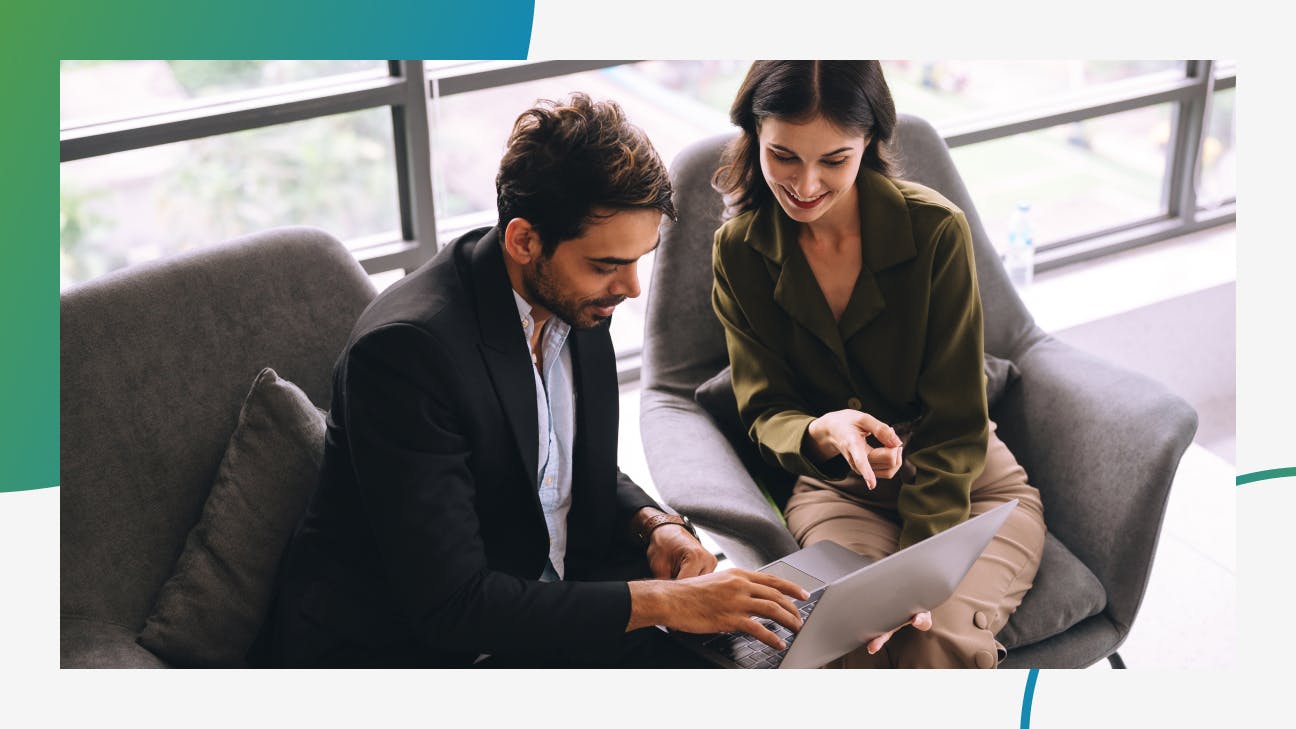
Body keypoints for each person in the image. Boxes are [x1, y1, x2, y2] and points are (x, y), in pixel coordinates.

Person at [269, 93, 807, 668]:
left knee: (785, 653)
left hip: (555, 611)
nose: (631, 288)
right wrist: (664, 602)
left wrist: (655, 526)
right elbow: (452, 607)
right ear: (524, 241)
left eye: (638, 259)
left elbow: (558, 465)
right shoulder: (405, 355)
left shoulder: (576, 297)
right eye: (607, 265)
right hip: (420, 650)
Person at [710, 61, 1047, 668]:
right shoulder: (738, 251)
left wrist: (916, 576)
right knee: (846, 646)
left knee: (928, 638)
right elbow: (764, 409)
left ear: (868, 143)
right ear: (754, 134)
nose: (806, 183)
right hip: (841, 494)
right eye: (783, 156)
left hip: (969, 484)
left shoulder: (935, 230)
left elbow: (957, 422)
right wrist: (823, 430)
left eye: (834, 160)